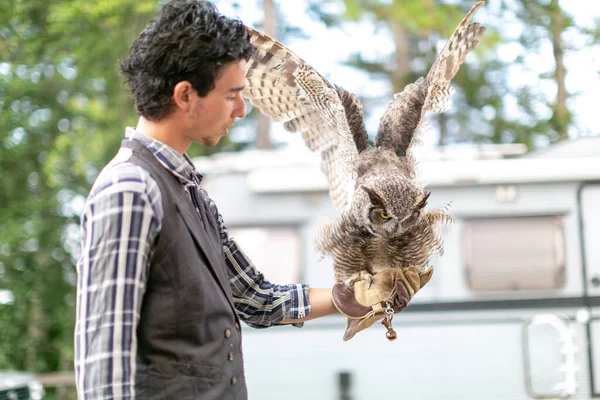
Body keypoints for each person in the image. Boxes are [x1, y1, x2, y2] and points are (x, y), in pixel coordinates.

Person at [74, 1, 426, 399]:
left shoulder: (189, 190)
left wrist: (355, 296)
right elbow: (104, 366)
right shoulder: (129, 190)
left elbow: (257, 300)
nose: (242, 110)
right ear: (185, 94)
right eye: (232, 95)